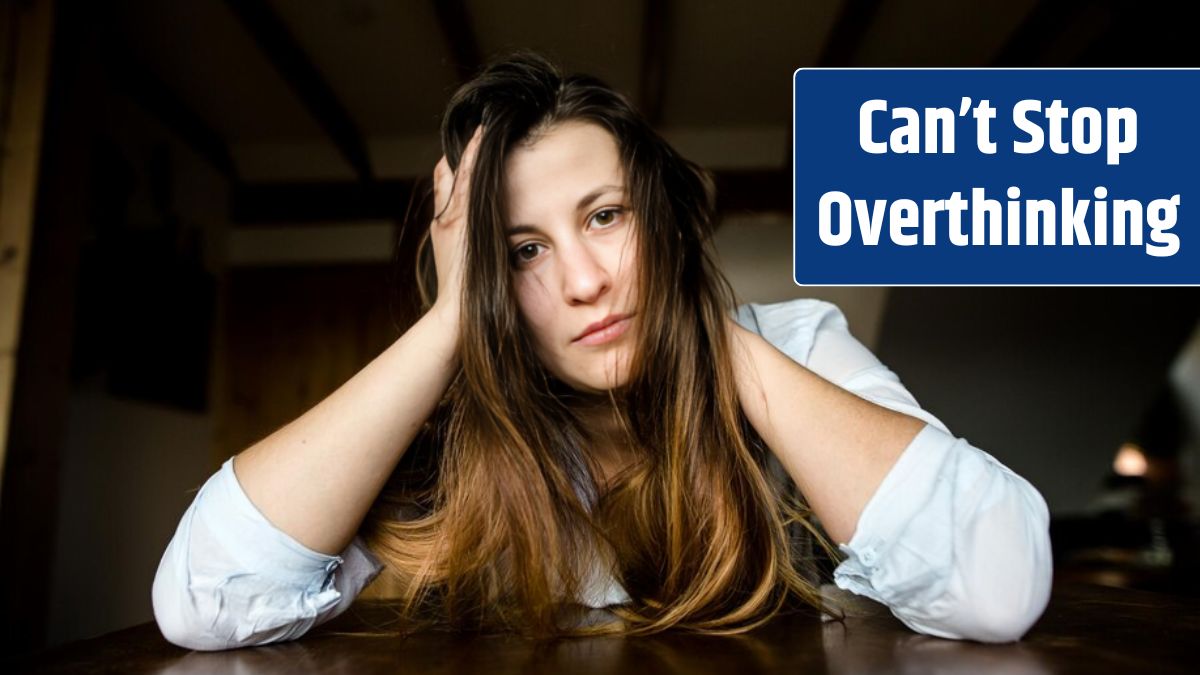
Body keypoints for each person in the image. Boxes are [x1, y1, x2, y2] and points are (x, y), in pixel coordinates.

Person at [151, 52, 1053, 651]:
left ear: (658, 216)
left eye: (606, 216)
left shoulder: (795, 345)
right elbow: (203, 602)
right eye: (523, 251)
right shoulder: (460, 421)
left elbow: (1000, 583)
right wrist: (452, 322)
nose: (584, 280)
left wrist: (698, 318)